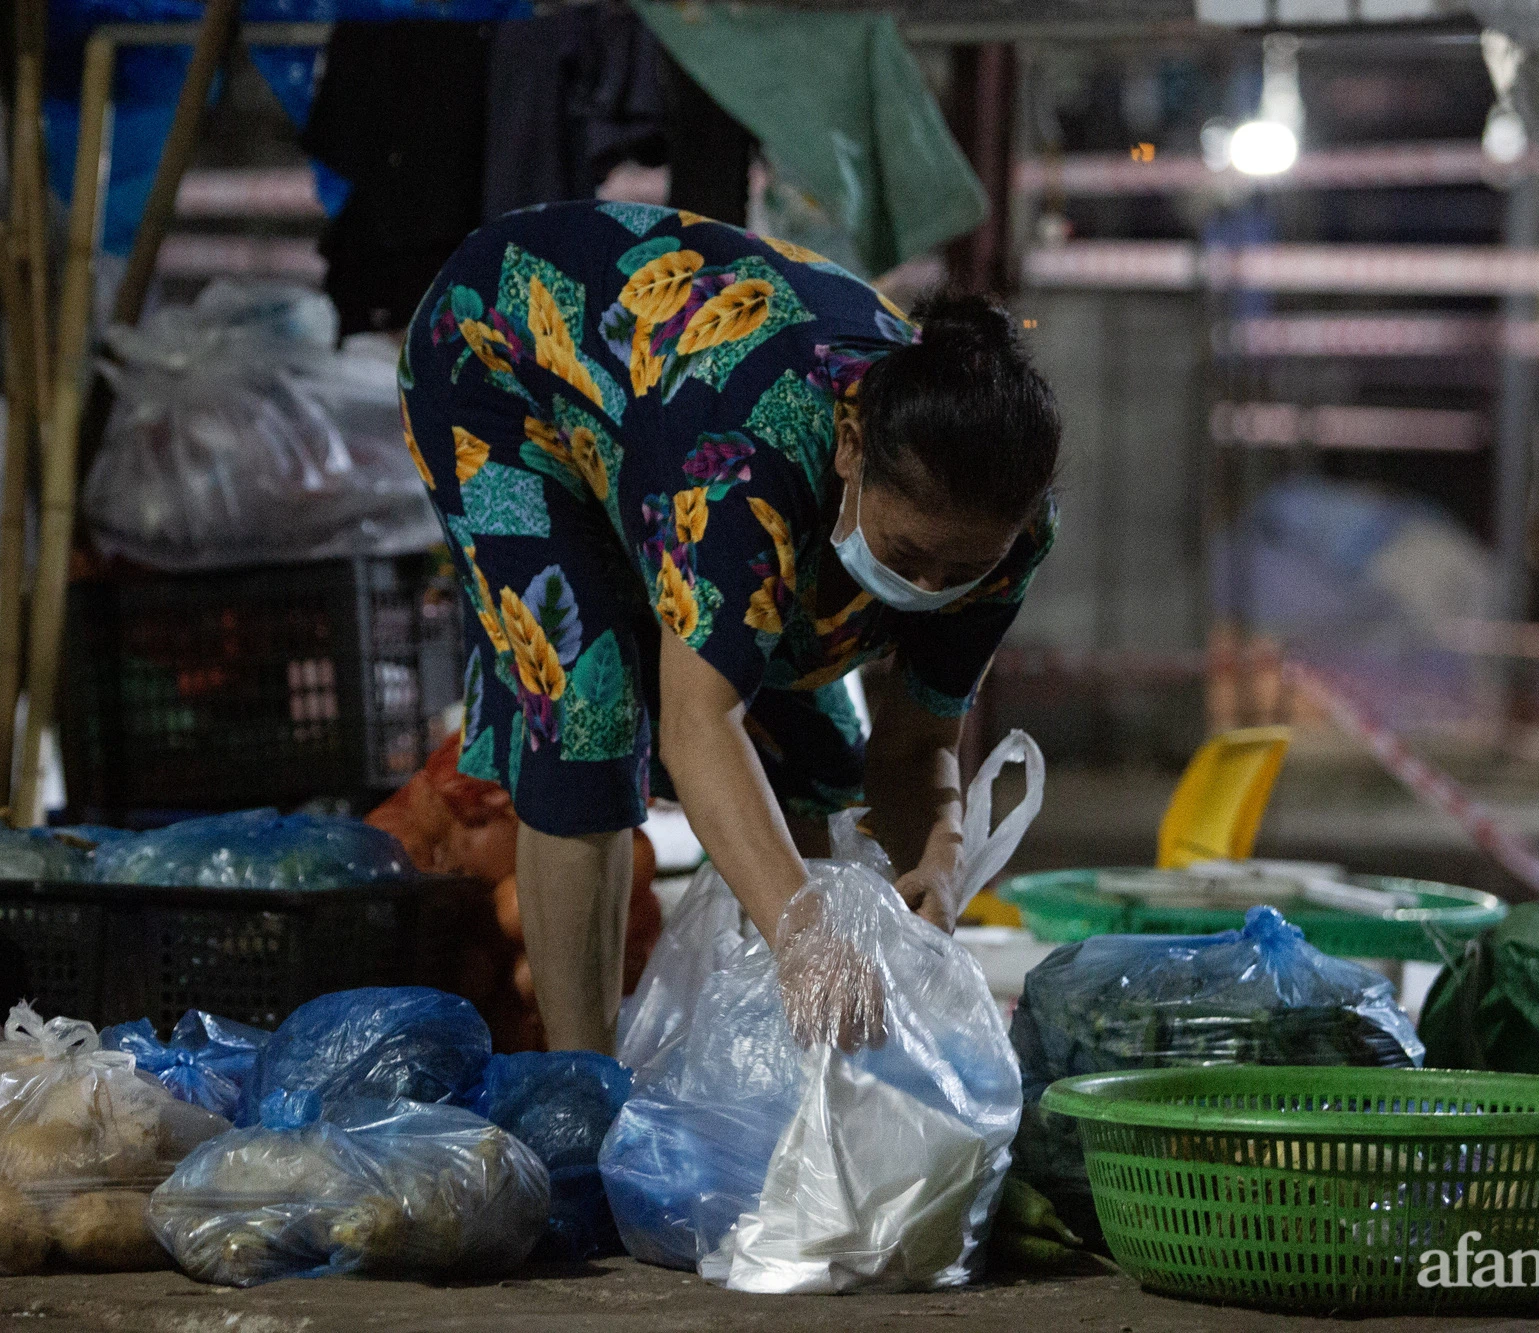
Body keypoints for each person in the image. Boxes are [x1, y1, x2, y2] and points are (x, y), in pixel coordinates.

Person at [399, 200, 1058, 1053]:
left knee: (820, 762)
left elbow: (914, 744)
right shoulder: (751, 457)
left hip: (663, 424)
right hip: (503, 360)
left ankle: (777, 1069)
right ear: (851, 447)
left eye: (958, 570)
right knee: (590, 700)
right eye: (908, 554)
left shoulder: (1004, 532)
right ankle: (581, 1081)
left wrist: (937, 859)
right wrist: (802, 930)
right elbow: (697, 723)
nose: (927, 588)